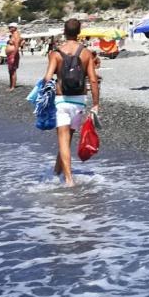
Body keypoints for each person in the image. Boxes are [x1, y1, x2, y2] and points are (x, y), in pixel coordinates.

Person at [43, 18, 101, 186]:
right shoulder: (86, 53)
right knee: (67, 139)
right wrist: (96, 103)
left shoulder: (55, 53)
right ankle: (57, 171)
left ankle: (69, 180)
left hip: (61, 100)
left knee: (63, 138)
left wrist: (42, 97)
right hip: (79, 101)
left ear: (64, 31)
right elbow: (93, 80)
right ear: (79, 32)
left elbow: (47, 78)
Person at [6, 22, 23, 92]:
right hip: (10, 55)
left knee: (12, 71)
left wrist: (13, 56)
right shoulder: (13, 35)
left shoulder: (16, 34)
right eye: (9, 27)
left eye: (10, 27)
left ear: (14, 28)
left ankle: (12, 86)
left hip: (13, 54)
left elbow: (16, 46)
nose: (9, 28)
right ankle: (11, 85)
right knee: (11, 70)